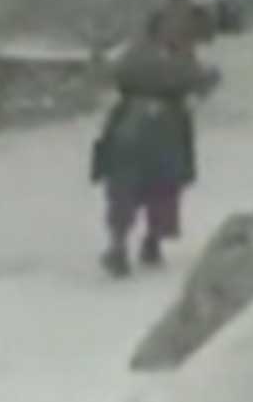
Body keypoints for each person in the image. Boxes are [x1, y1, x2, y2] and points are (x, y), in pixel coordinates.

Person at [91, 21, 217, 277]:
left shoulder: (132, 54)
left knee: (124, 185)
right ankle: (151, 242)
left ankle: (120, 244)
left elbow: (110, 74)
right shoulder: (182, 56)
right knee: (163, 185)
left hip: (130, 123)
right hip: (167, 127)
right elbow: (202, 81)